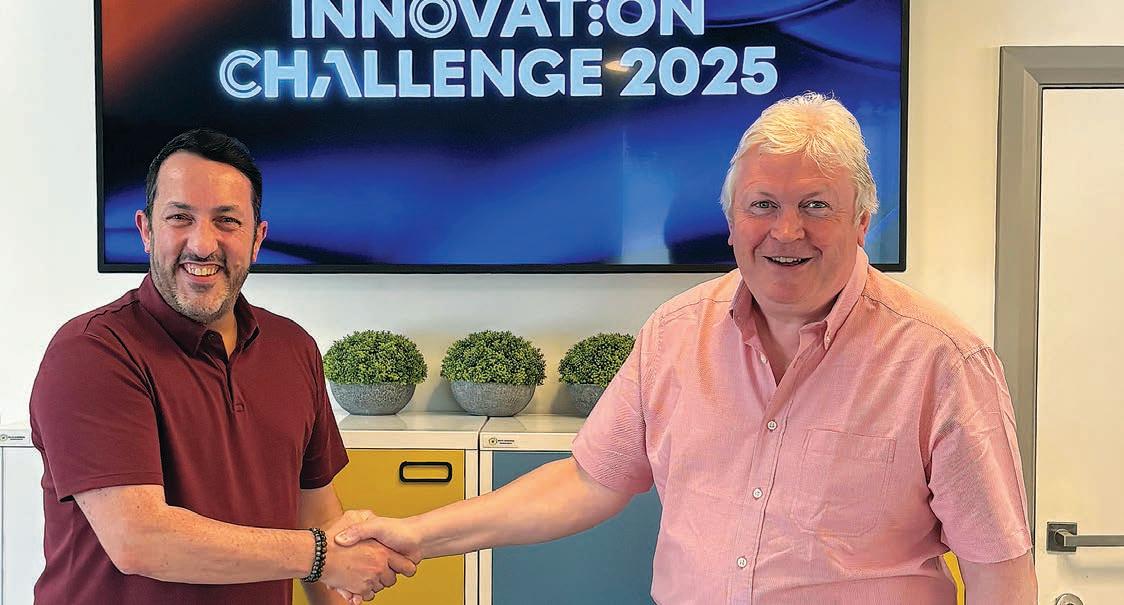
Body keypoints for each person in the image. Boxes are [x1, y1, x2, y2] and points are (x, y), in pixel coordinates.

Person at [334, 93, 1038, 604]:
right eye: (763, 205)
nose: (786, 231)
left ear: (862, 220)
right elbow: (587, 479)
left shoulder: (943, 360)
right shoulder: (675, 333)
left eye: (816, 205)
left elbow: (999, 572)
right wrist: (417, 533)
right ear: (731, 220)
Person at [29, 129, 413, 604]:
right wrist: (319, 554)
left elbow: (316, 516)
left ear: (257, 239)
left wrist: (332, 560)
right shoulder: (91, 352)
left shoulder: (293, 348)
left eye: (227, 221)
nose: (202, 244)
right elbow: (139, 538)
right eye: (180, 218)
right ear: (146, 231)